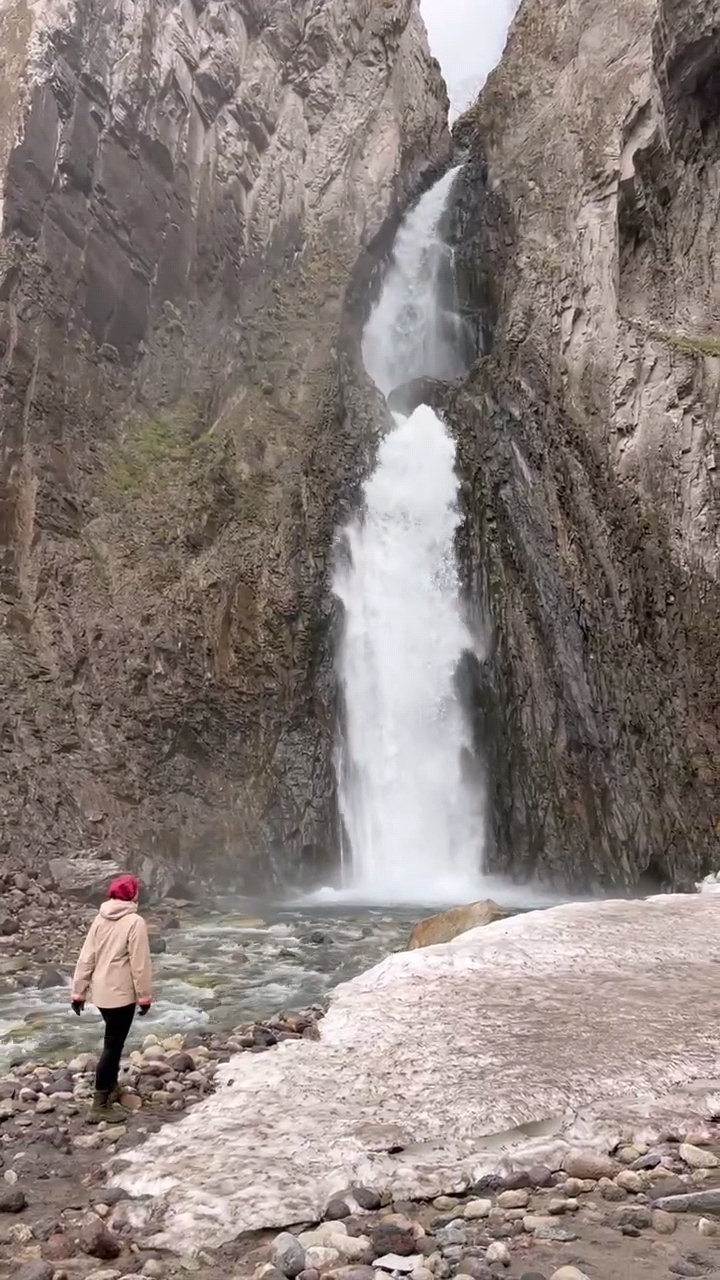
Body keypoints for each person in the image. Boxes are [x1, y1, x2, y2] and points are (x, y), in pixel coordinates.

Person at [71, 874, 153, 1123]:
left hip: (102, 993)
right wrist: (145, 996)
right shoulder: (134, 921)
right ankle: (99, 1105)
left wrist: (78, 991)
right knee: (112, 1046)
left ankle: (113, 1088)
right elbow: (140, 964)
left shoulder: (100, 918)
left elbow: (87, 957)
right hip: (121, 994)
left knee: (112, 1042)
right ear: (133, 895)